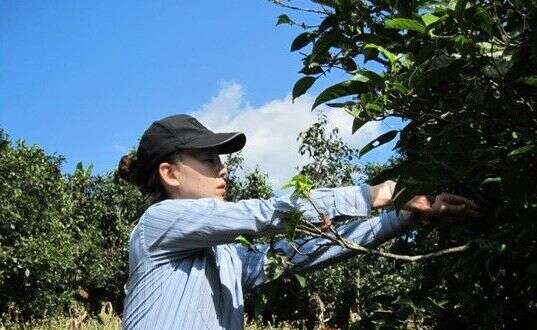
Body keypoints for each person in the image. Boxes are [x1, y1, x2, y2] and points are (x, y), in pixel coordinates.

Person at [118, 114, 480, 329]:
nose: (223, 168)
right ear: (170, 173)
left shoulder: (224, 255)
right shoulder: (158, 221)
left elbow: (298, 253)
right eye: (209, 159)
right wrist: (377, 194)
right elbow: (258, 214)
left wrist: (404, 215)